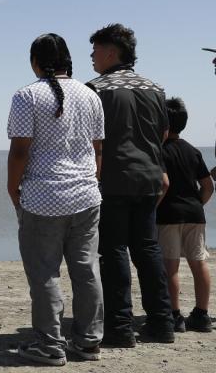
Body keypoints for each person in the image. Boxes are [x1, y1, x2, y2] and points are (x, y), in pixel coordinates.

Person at [7, 34, 105, 365]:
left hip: (43, 195)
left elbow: (20, 150)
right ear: (68, 61)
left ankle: (50, 344)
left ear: (36, 62)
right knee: (87, 270)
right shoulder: (90, 95)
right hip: (86, 193)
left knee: (45, 273)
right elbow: (98, 149)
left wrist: (12, 188)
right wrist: (92, 181)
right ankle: (88, 341)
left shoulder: (27, 96)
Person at [87, 23, 174, 345]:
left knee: (113, 252)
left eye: (95, 50)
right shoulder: (155, 89)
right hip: (150, 176)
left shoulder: (97, 89)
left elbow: (91, 139)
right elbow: (163, 133)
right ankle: (161, 323)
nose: (92, 56)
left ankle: (120, 327)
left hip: (113, 178)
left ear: (111, 52)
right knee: (148, 249)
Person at [156, 97, 213, 332]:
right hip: (195, 214)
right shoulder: (193, 150)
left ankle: (174, 315)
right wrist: (197, 203)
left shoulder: (159, 151)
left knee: (170, 266)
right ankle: (202, 314)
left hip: (169, 214)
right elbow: (208, 185)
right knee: (198, 263)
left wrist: (152, 209)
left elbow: (163, 185)